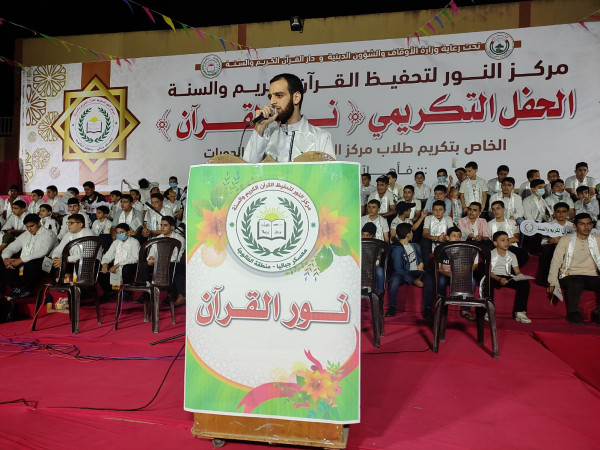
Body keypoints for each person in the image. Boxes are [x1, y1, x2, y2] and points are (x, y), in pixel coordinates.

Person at [243, 73, 335, 163]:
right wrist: (260, 127)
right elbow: (247, 170)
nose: (272, 102)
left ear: (296, 98)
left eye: (279, 95)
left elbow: (330, 172)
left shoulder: (320, 138)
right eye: (270, 97)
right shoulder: (266, 136)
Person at [547, 213, 600, 325]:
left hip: (592, 275)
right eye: (582, 224)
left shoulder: (597, 239)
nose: (586, 227)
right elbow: (555, 261)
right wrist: (552, 282)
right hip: (570, 275)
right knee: (576, 283)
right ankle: (573, 313)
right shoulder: (566, 240)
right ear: (575, 226)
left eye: (589, 224)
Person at [1, 214, 58, 301]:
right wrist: (6, 259)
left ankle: (22, 288)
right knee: (2, 261)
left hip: (47, 263)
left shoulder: (49, 234)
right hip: (25, 263)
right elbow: (10, 248)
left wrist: (20, 260)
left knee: (33, 261)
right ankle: (19, 288)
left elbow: (42, 252)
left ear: (39, 223)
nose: (29, 229)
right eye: (27, 227)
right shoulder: (26, 234)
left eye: (32, 226)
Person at [386, 222, 434, 320]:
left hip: (416, 271)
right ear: (408, 234)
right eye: (411, 231)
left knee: (429, 277)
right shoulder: (396, 249)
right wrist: (413, 280)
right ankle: (392, 308)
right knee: (395, 279)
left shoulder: (415, 245)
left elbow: (419, 258)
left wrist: (421, 263)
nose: (412, 233)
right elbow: (399, 270)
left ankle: (428, 309)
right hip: (403, 273)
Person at [489, 231, 532, 324]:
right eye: (503, 240)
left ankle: (520, 312)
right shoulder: (491, 254)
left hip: (507, 276)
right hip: (494, 276)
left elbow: (517, 271)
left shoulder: (512, 255)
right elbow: (488, 272)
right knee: (488, 283)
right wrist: (499, 279)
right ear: (495, 243)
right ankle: (488, 310)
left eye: (507, 240)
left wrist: (520, 276)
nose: (506, 243)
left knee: (524, 284)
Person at [436, 226, 476, 320]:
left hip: (459, 275)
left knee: (472, 281)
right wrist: (448, 274)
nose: (457, 238)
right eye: (454, 236)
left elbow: (466, 268)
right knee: (441, 281)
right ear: (447, 237)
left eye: (459, 236)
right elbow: (439, 269)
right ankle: (442, 306)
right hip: (446, 275)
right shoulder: (442, 250)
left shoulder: (464, 250)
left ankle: (465, 310)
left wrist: (458, 274)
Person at [146, 216, 187, 307]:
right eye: (161, 225)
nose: (162, 227)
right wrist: (150, 259)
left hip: (174, 264)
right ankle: (146, 294)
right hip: (158, 264)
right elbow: (151, 254)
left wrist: (159, 261)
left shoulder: (179, 239)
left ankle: (177, 295)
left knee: (173, 267)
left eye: (165, 225)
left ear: (172, 227)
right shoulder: (158, 238)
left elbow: (176, 258)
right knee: (145, 266)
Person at [99, 223, 140, 302]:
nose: (119, 234)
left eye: (121, 232)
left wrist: (117, 265)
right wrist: (104, 264)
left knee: (126, 268)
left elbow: (135, 258)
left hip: (131, 265)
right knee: (101, 269)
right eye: (117, 233)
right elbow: (108, 255)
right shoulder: (116, 242)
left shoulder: (134, 242)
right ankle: (109, 293)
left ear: (128, 232)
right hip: (117, 264)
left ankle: (126, 293)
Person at [536, 202, 574, 286]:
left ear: (567, 213)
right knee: (548, 248)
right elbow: (542, 242)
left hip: (568, 248)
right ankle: (545, 279)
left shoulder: (573, 226)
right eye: (558, 212)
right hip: (553, 248)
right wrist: (549, 241)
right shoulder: (547, 226)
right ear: (554, 213)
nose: (561, 214)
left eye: (564, 212)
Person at [487, 200, 529, 268]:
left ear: (503, 209)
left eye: (498, 208)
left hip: (510, 246)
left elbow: (516, 238)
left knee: (524, 254)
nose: (495, 211)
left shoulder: (512, 222)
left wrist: (503, 242)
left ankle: (511, 271)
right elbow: (489, 240)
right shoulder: (489, 224)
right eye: (493, 209)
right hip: (496, 247)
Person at [361, 222, 385, 294]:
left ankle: (379, 294)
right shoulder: (358, 245)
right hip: (362, 268)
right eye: (363, 234)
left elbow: (378, 262)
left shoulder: (378, 246)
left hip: (373, 268)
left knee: (380, 271)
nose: (364, 237)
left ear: (373, 236)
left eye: (367, 235)